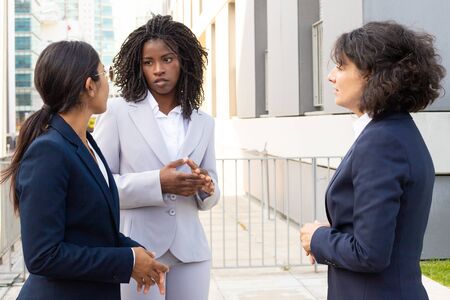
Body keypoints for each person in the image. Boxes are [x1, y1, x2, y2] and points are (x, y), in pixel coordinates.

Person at [0, 41, 169, 300]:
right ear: (89, 86)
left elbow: (92, 228)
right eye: (105, 74)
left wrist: (135, 253)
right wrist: (126, 261)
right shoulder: (48, 151)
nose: (108, 83)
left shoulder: (87, 142)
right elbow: (43, 256)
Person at [300, 21, 445, 299]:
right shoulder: (396, 131)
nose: (331, 76)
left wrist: (317, 238)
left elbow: (369, 254)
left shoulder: (382, 141)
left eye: (341, 67)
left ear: (373, 75)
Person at [93, 15, 220, 300]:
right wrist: (158, 183)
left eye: (167, 59)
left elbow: (212, 187)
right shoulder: (118, 113)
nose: (158, 70)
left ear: (184, 61)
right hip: (139, 252)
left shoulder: (204, 122)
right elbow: (99, 187)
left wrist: (207, 187)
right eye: (148, 62)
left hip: (192, 253)